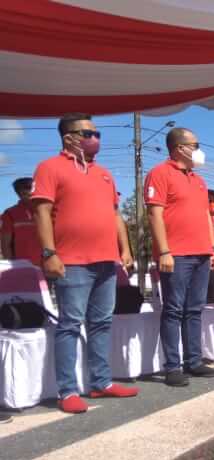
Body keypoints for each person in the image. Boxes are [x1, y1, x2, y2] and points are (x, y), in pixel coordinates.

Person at [32, 112, 138, 413]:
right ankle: (67, 391)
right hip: (72, 262)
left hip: (107, 260)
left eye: (97, 134)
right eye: (89, 134)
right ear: (69, 138)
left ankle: (101, 383)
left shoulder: (104, 173)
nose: (96, 139)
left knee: (102, 323)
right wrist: (49, 253)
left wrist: (125, 249)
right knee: (70, 324)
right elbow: (42, 212)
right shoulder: (49, 168)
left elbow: (116, 214)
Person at [144, 127, 214, 387]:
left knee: (194, 309)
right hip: (175, 254)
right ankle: (172, 366)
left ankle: (194, 361)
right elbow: (154, 214)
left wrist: (212, 247)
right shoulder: (159, 173)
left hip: (201, 252)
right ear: (180, 148)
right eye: (195, 144)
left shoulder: (198, 180)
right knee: (174, 309)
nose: (199, 150)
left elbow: (205, 216)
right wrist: (164, 251)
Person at [1, 178, 42, 266]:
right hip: (24, 266)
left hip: (51, 265)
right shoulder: (9, 214)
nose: (29, 195)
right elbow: (5, 244)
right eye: (23, 193)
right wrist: (14, 267)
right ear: (18, 194)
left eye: (31, 191)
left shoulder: (48, 211)